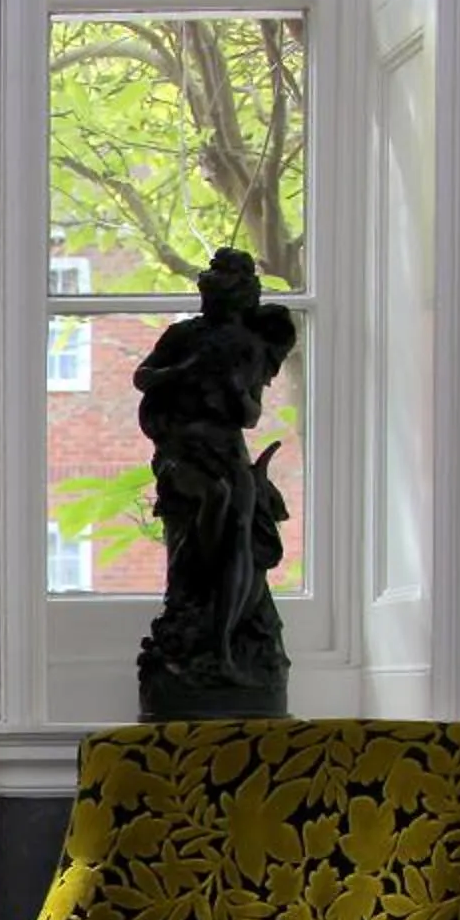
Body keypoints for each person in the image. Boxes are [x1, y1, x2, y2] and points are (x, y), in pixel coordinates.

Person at [131, 249, 296, 698]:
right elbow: (143, 378)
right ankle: (199, 595)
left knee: (242, 526)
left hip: (227, 447)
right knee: (213, 498)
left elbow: (249, 416)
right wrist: (183, 371)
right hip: (183, 446)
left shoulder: (249, 347)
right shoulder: (184, 335)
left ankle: (223, 639)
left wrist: (232, 387)